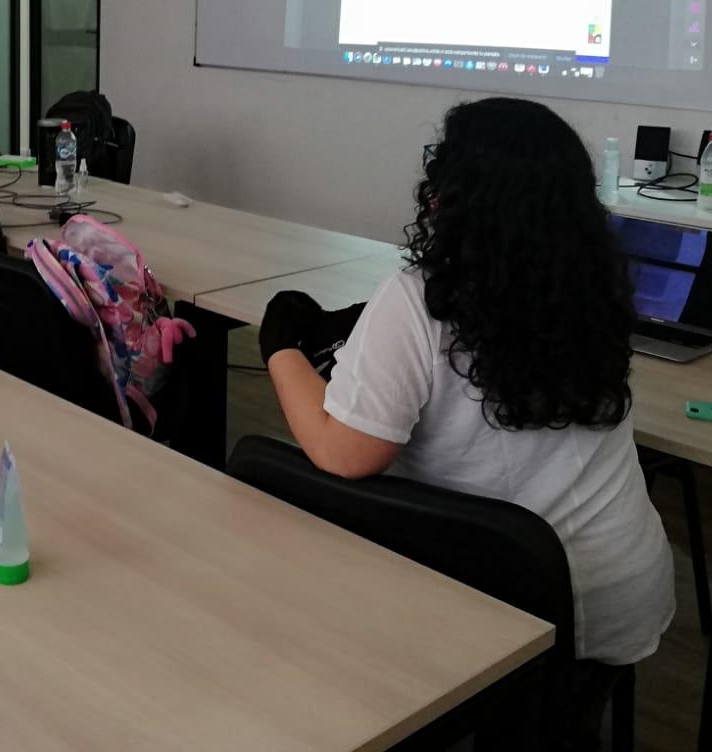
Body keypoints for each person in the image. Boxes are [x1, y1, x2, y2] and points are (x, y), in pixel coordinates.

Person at [260, 97, 673, 744]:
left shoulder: (420, 299)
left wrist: (281, 348)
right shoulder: (595, 289)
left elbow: (346, 454)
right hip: (619, 593)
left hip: (501, 599)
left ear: (452, 194)